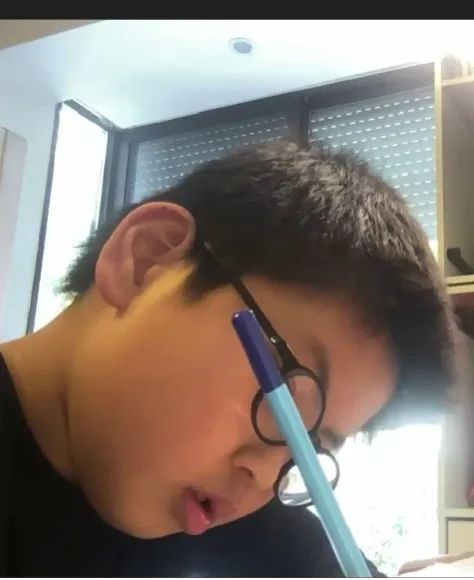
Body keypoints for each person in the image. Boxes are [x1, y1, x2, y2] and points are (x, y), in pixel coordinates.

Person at [0, 141, 457, 576]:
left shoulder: (188, 494)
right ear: (147, 259)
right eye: (282, 398)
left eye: (307, 451)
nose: (264, 475)